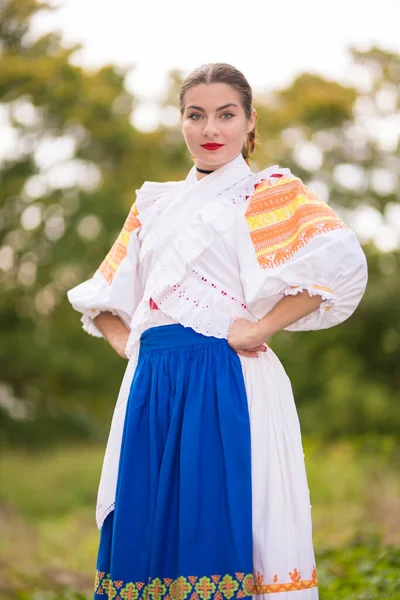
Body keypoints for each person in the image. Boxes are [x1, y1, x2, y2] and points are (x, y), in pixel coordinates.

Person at [67, 63, 368, 600]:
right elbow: (104, 299)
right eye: (196, 114)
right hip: (152, 385)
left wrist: (261, 328)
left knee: (219, 521)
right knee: (145, 530)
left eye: (226, 115)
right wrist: (133, 347)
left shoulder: (268, 192)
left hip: (225, 378)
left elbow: (339, 264)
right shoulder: (152, 205)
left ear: (250, 122)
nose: (211, 129)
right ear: (181, 122)